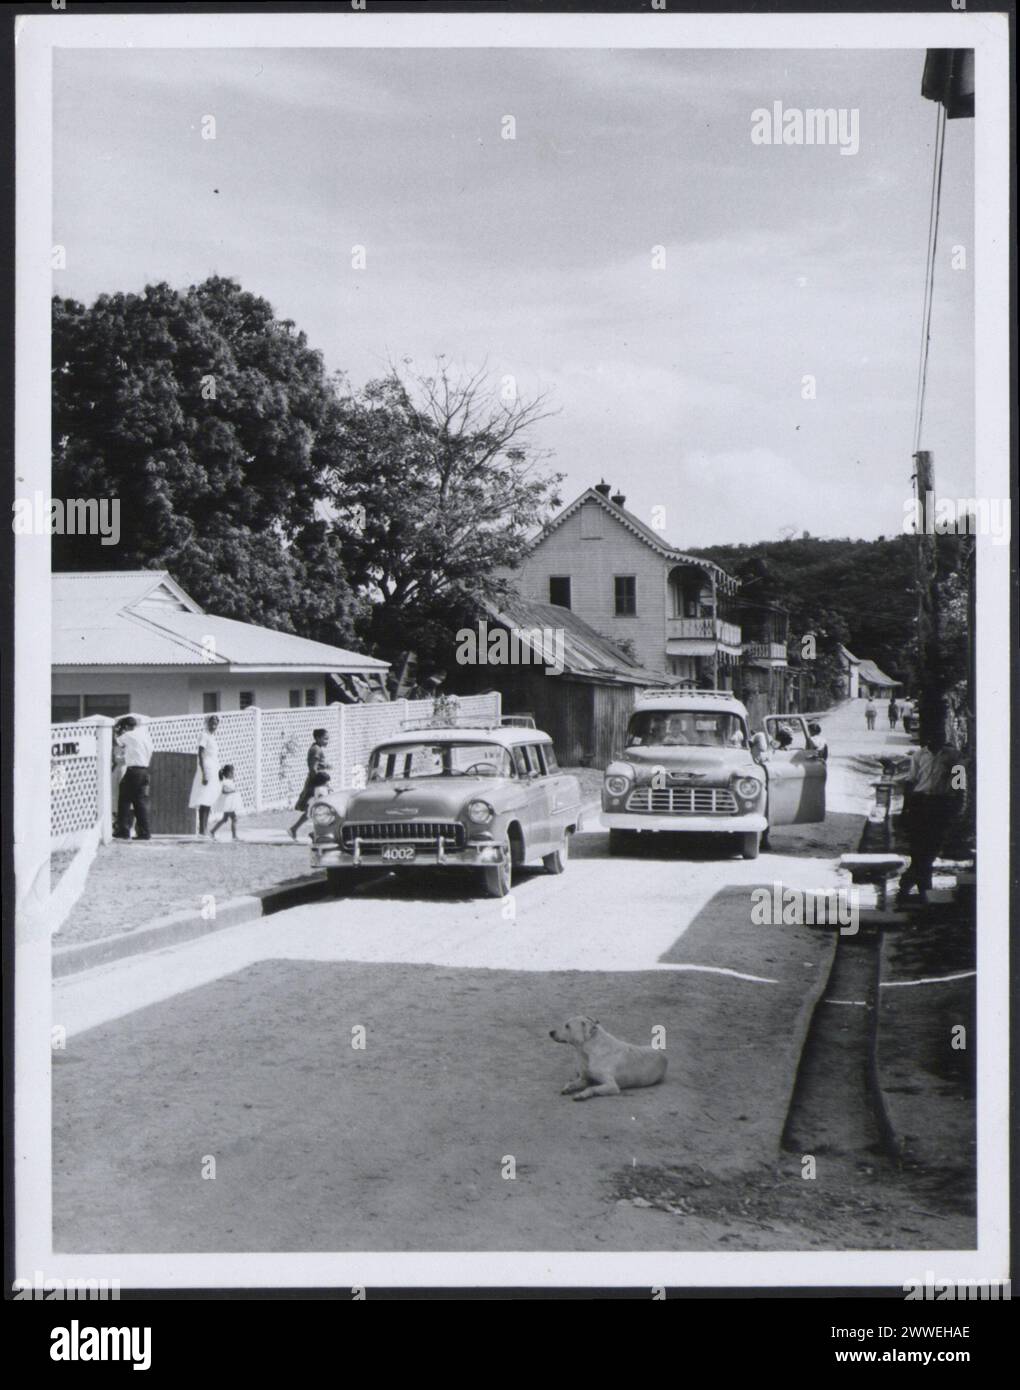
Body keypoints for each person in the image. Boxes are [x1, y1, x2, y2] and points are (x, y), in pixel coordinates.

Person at [892, 735, 961, 908]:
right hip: (920, 805)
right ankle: (923, 890)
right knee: (918, 850)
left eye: (937, 732)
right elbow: (911, 783)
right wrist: (905, 809)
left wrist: (955, 808)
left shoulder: (953, 757)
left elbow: (959, 785)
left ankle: (908, 887)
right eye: (931, 733)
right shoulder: (919, 756)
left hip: (940, 805)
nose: (934, 737)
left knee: (931, 850)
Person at [114, 716, 154, 840]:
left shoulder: (129, 735)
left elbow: (117, 742)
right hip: (144, 770)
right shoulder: (145, 736)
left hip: (133, 771)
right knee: (140, 802)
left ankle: (123, 830)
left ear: (126, 727)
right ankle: (144, 832)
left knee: (124, 800)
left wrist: (116, 731)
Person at [289, 728, 332, 839]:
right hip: (317, 784)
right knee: (321, 807)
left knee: (313, 808)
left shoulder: (317, 748)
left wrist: (325, 766)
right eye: (325, 739)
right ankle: (316, 832)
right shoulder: (316, 750)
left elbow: (317, 765)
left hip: (319, 783)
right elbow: (313, 769)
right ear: (317, 738)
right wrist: (322, 782)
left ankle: (295, 829)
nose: (327, 741)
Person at [188, 714, 220, 836]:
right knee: (203, 798)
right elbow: (200, 754)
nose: (214, 725)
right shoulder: (204, 735)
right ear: (207, 723)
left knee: (208, 799)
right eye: (211, 723)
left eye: (216, 723)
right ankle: (202, 829)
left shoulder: (212, 737)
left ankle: (205, 828)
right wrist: (204, 772)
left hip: (213, 767)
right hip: (206, 767)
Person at [209, 764, 243, 841]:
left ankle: (212, 831)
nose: (233, 774)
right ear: (228, 773)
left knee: (224, 819)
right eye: (232, 773)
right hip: (228, 804)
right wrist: (232, 791)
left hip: (229, 804)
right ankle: (234, 836)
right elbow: (223, 791)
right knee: (234, 818)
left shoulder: (229, 781)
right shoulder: (225, 782)